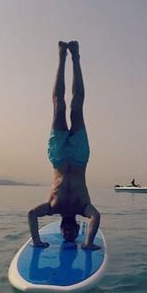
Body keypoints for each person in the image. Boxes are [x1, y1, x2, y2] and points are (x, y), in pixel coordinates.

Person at [28, 40, 101, 251]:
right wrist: (88, 243)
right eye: (72, 234)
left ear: (60, 230)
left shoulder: (52, 207)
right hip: (79, 156)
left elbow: (32, 214)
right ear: (79, 227)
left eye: (65, 234)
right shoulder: (83, 208)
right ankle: (75, 57)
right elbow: (96, 216)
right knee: (76, 107)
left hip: (59, 156)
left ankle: (61, 57)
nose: (68, 233)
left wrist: (37, 240)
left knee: (59, 105)